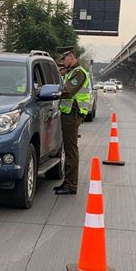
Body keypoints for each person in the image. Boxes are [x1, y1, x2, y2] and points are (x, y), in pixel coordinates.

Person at [53, 46, 90, 195]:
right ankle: (67, 182)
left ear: (71, 56)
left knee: (71, 150)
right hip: (69, 113)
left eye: (64, 58)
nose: (63, 61)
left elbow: (68, 92)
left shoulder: (79, 73)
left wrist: (49, 92)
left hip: (73, 114)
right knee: (68, 149)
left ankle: (71, 185)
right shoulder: (71, 72)